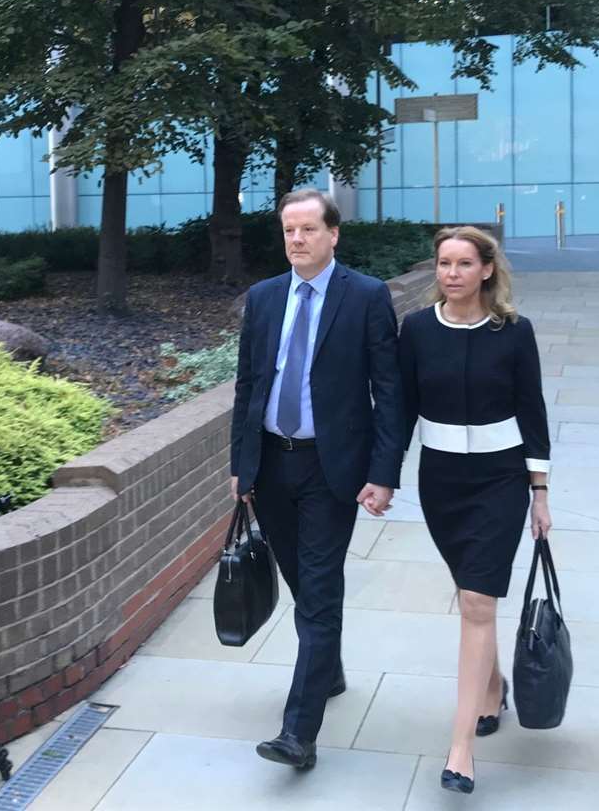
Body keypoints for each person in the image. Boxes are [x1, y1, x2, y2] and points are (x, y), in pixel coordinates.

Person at [229, 188, 405, 771]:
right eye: (288, 231)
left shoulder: (366, 296)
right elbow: (249, 388)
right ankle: (327, 669)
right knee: (304, 582)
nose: (297, 240)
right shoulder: (262, 297)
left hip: (333, 469)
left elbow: (390, 391)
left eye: (308, 229)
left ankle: (298, 733)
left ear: (333, 234)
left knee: (321, 591)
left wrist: (384, 474)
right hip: (272, 465)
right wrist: (241, 465)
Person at [397, 225, 552, 795]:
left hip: (500, 481)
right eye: (443, 264)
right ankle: (492, 687)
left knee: (477, 601)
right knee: (472, 595)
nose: (451, 274)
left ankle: (460, 749)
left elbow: (532, 411)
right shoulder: (415, 330)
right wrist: (381, 477)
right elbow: (401, 410)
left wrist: (540, 491)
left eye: (463, 264)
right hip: (441, 482)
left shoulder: (514, 332)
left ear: (487, 270)